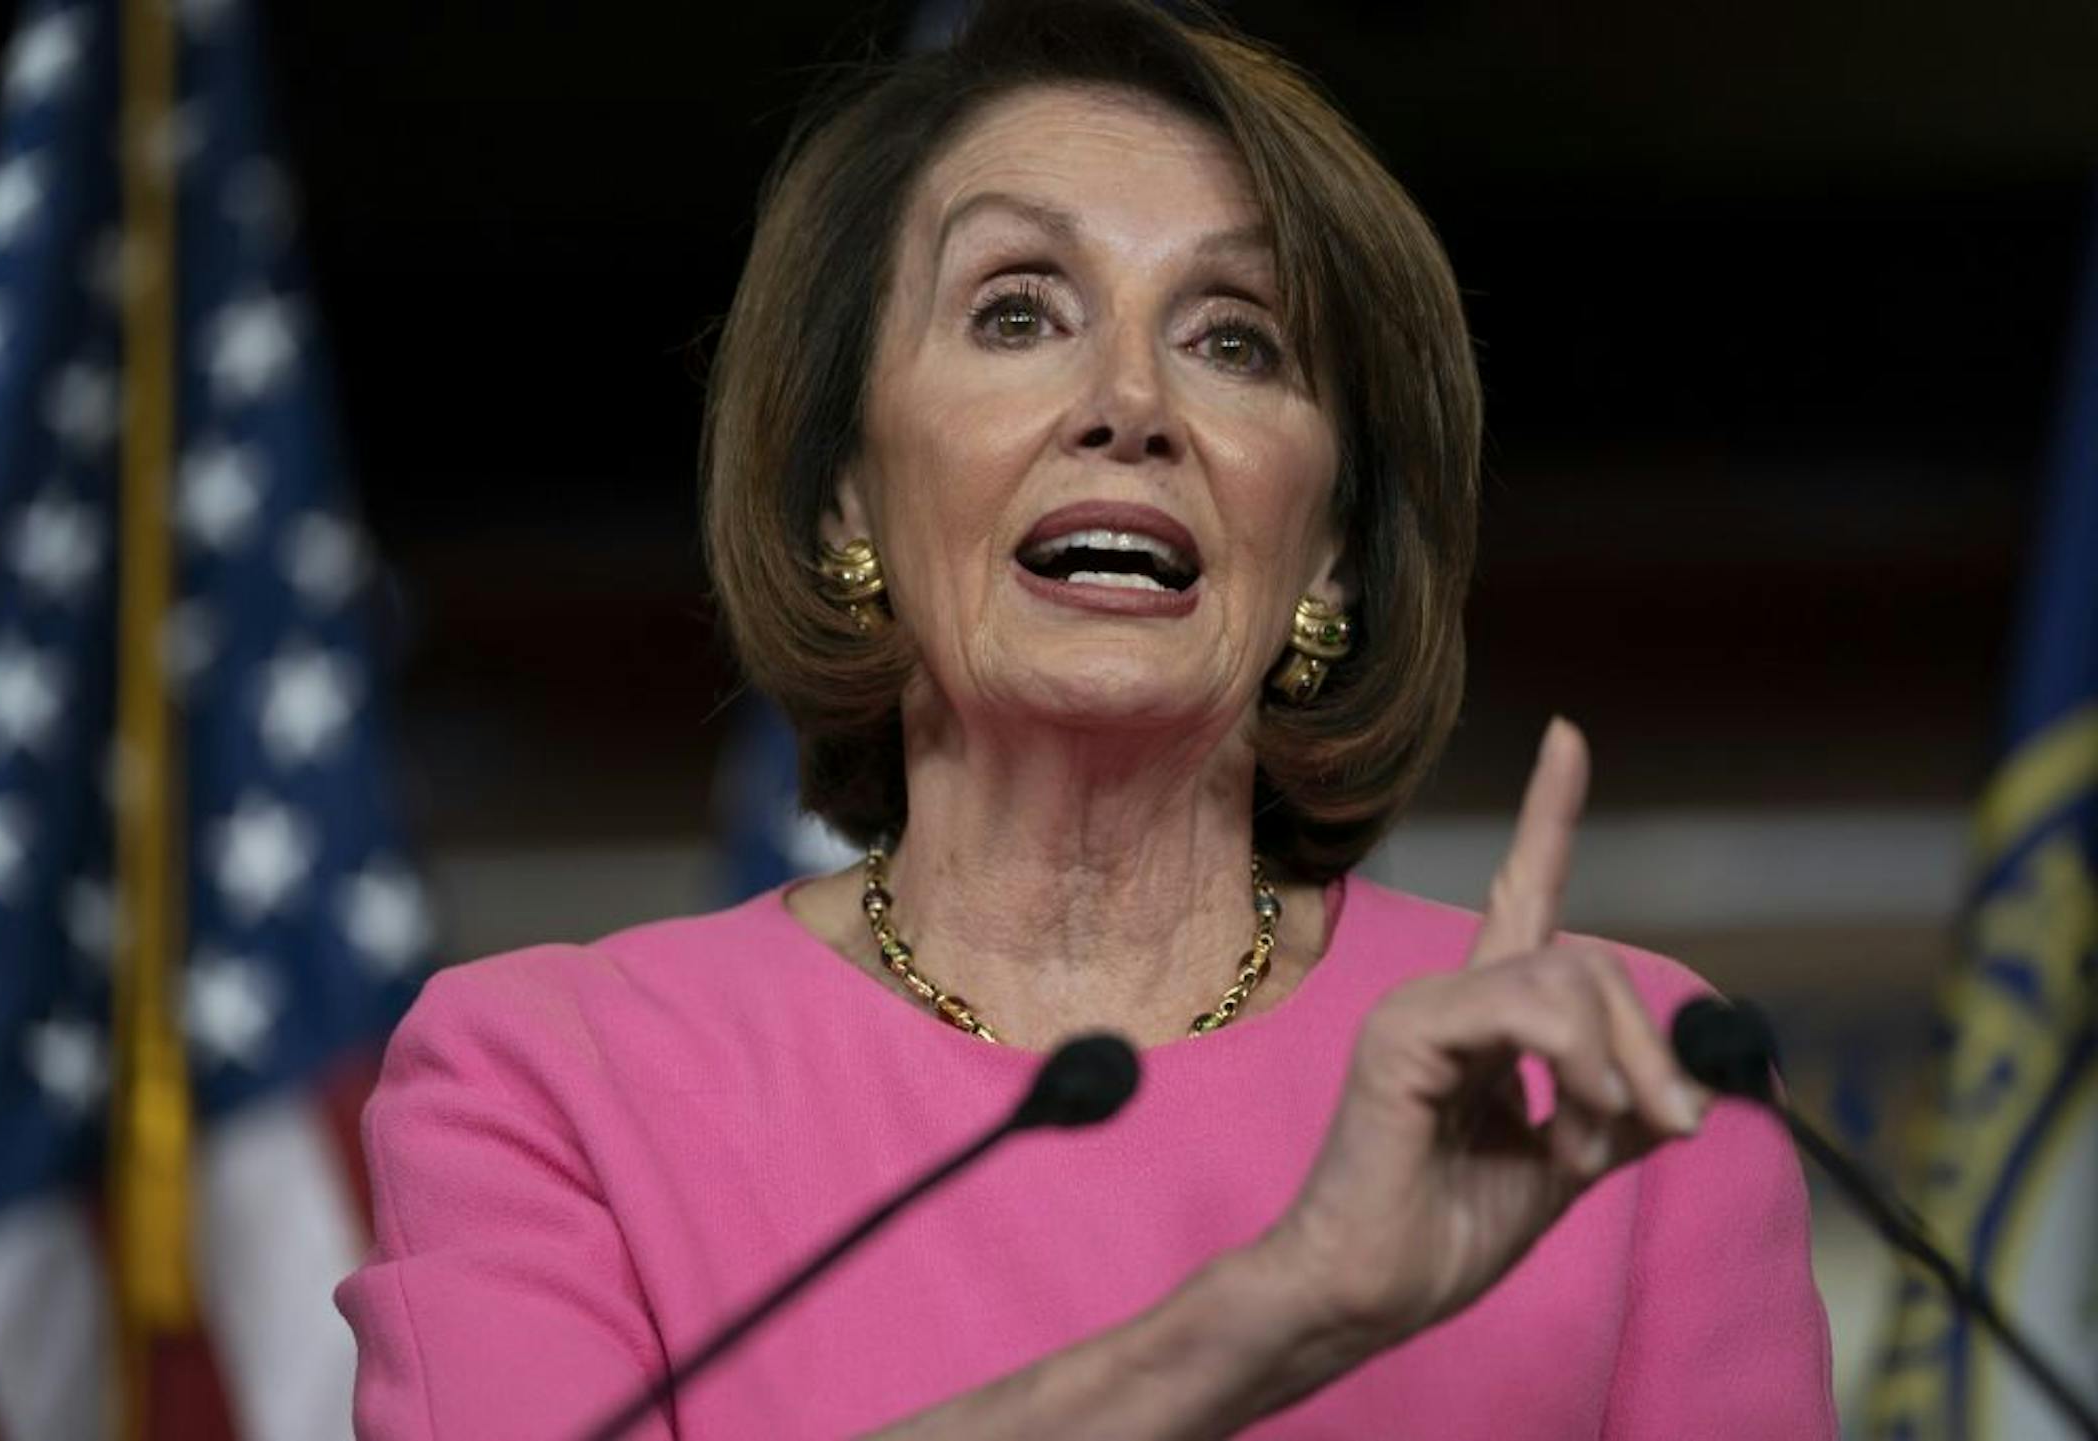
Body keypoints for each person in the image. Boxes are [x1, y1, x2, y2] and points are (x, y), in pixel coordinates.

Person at [333, 1, 1835, 1435]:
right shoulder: (548, 1081)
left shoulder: (1613, 1088)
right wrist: (1276, 1307)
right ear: (845, 488)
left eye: (1235, 338)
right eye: (1016, 312)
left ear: (1328, 548)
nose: (1131, 401)